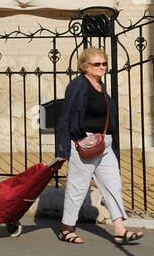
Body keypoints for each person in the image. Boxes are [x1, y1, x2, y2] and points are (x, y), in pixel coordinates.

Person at [54, 45, 144, 245]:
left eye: (104, 64)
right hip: (84, 144)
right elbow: (66, 117)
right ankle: (66, 228)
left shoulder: (101, 86)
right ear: (85, 66)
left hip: (104, 144)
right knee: (78, 188)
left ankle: (119, 229)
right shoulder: (78, 86)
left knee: (114, 184)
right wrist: (62, 150)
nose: (102, 67)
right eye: (97, 64)